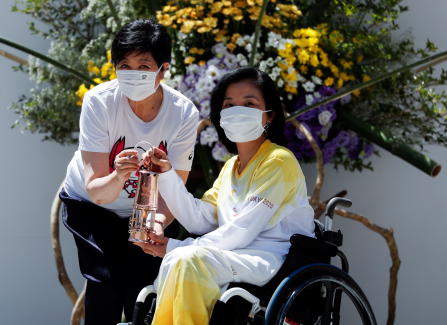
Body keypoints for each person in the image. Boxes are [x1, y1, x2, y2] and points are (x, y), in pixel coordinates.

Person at [136, 67, 315, 325]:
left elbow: (242, 230)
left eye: (249, 103)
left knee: (186, 258)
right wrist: (165, 173)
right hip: (232, 254)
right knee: (181, 258)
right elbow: (200, 219)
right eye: (229, 105)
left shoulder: (279, 161)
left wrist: (175, 245)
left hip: (268, 257)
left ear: (270, 115)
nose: (237, 111)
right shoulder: (231, 167)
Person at [59, 18, 199, 325]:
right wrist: (119, 175)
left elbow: (175, 188)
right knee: (105, 283)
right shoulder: (99, 102)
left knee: (143, 292)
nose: (132, 74)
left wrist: (157, 224)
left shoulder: (184, 113)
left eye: (144, 67)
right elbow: (96, 188)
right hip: (91, 204)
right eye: (124, 65)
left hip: (146, 210)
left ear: (164, 69)